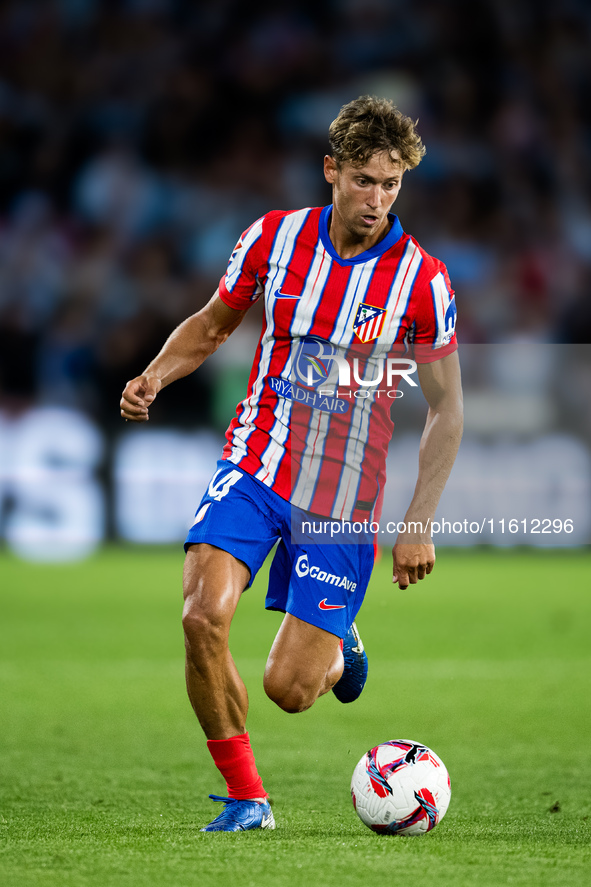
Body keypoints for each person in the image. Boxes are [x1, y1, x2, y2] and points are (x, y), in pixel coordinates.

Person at [120, 96, 463, 832]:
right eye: (365, 179)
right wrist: (155, 373)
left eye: (392, 184)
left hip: (343, 497)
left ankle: (341, 642)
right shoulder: (272, 239)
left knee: (291, 689)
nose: (377, 199)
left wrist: (418, 521)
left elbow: (446, 406)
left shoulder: (420, 279)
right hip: (254, 461)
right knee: (200, 617)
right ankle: (247, 798)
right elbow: (214, 324)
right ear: (330, 170)